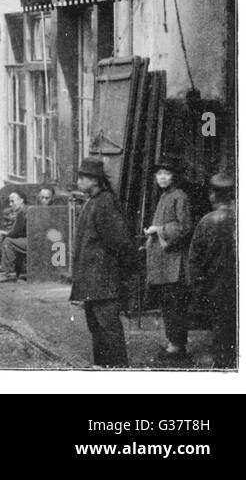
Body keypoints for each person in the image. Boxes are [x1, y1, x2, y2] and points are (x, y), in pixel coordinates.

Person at [69, 157, 138, 367]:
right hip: (93, 280)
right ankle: (101, 368)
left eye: (83, 177)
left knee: (108, 328)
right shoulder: (94, 201)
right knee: (96, 327)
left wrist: (123, 274)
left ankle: (118, 372)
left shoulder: (105, 203)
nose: (79, 181)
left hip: (104, 280)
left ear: (95, 180)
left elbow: (121, 242)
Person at [143, 159, 195, 363]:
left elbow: (184, 228)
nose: (162, 177)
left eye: (167, 173)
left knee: (174, 304)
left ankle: (177, 346)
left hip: (174, 263)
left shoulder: (179, 196)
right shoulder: (165, 196)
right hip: (164, 261)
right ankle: (174, 343)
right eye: (159, 174)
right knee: (168, 304)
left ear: (174, 176)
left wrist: (159, 230)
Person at [187, 171, 236, 369]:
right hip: (235, 286)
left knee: (220, 330)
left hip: (214, 287)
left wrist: (197, 289)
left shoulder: (206, 221)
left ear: (212, 195)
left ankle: (223, 366)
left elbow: (194, 260)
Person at [0, 189, 29, 282]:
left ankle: (10, 274)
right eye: (9, 201)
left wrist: (4, 233)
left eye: (12, 201)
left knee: (8, 242)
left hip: (30, 242)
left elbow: (15, 232)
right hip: (30, 239)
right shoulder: (25, 210)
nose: (10, 204)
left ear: (21, 201)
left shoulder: (22, 212)